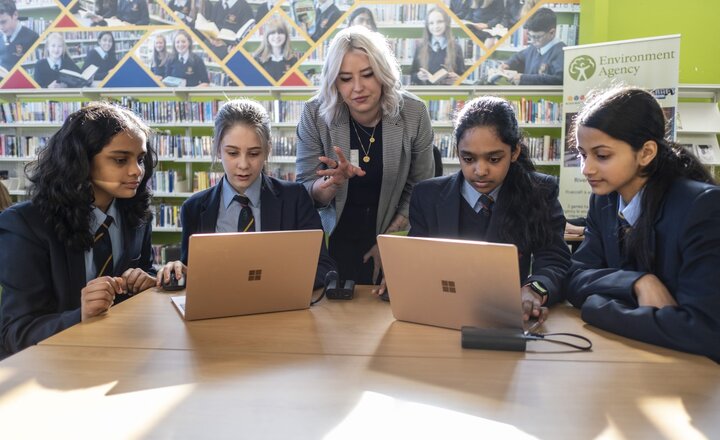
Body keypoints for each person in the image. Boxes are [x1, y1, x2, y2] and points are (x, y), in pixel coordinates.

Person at [566, 86, 720, 361]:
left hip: (694, 375)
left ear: (646, 152)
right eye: (582, 154)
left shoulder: (702, 207)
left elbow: (704, 331)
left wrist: (596, 307)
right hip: (634, 357)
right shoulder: (604, 202)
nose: (586, 169)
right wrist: (638, 282)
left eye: (601, 156)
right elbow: (575, 276)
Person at [0, 102, 157, 357]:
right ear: (81, 160)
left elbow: (145, 270)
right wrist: (80, 315)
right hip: (55, 366)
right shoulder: (24, 226)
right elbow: (16, 333)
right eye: (120, 160)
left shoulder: (137, 216)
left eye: (140, 159)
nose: (136, 171)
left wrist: (147, 282)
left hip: (123, 354)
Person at [409, 96, 570, 323]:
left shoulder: (540, 191)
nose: (480, 170)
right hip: (440, 315)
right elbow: (415, 260)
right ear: (457, 152)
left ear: (514, 152)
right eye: (468, 158)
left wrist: (534, 290)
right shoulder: (427, 196)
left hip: (507, 316)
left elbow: (554, 260)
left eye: (494, 159)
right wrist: (403, 278)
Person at [295, 26, 434, 289]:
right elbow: (305, 190)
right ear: (334, 82)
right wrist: (330, 185)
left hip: (389, 235)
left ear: (383, 72)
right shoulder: (314, 115)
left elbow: (422, 188)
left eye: (368, 74)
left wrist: (391, 242)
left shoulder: (414, 113)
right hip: (332, 240)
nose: (358, 88)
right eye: (345, 78)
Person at [156, 99, 335, 290]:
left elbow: (324, 268)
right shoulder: (194, 207)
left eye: (254, 153)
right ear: (217, 149)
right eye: (233, 153)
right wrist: (178, 271)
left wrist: (276, 285)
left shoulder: (295, 198)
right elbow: (192, 273)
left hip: (277, 310)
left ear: (267, 150)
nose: (243, 165)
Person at [499, 7, 564, 85]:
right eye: (530, 36)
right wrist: (508, 64)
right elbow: (519, 57)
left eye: (537, 37)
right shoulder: (535, 47)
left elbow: (559, 80)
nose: (532, 41)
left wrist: (523, 78)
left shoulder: (562, 53)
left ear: (552, 33)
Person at [410, 7, 466, 86]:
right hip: (426, 93)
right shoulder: (420, 47)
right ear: (427, 26)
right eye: (431, 23)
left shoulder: (456, 48)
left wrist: (457, 79)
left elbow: (462, 76)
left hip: (448, 94)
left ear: (446, 23)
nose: (435, 26)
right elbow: (412, 75)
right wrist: (418, 76)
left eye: (439, 22)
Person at [0, 0, 39, 70]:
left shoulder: (33, 37)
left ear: (15, 15)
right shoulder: (1, 35)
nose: (1, 27)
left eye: (3, 22)